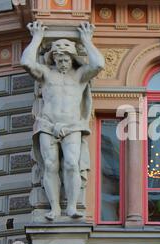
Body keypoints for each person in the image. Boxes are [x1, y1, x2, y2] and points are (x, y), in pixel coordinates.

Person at [21, 21, 105, 220]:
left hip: (72, 126)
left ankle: (73, 206)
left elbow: (99, 64)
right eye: (59, 58)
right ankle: (55, 208)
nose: (63, 61)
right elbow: (26, 62)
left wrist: (86, 40)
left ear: (72, 58)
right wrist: (37, 38)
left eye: (66, 58)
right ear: (53, 58)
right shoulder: (46, 74)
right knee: (50, 166)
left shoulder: (80, 75)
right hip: (47, 125)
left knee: (71, 165)